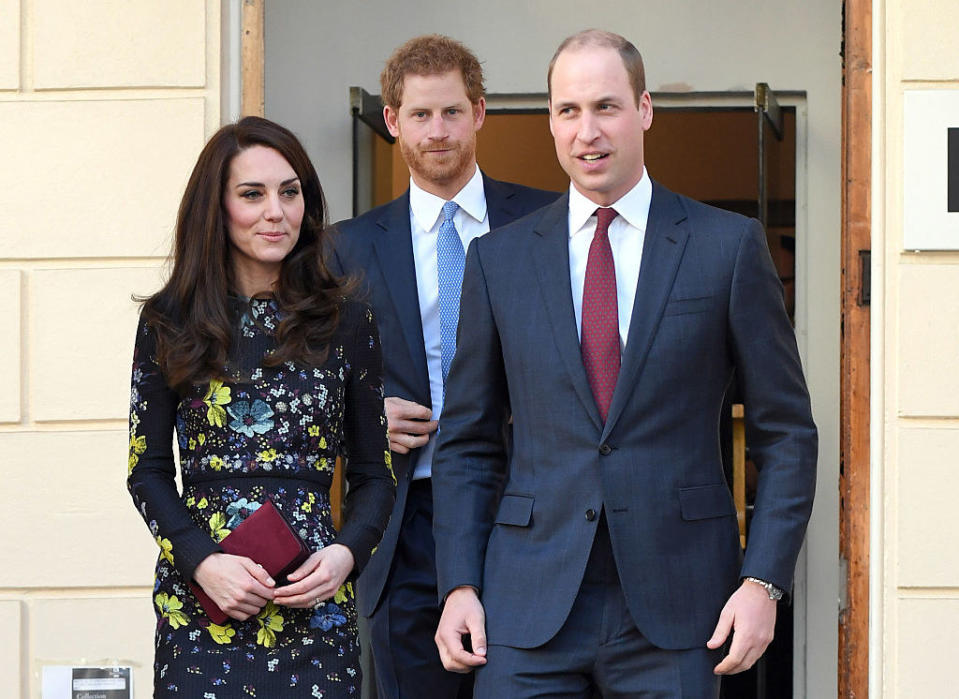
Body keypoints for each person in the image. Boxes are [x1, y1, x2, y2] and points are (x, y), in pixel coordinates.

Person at [432, 29, 818, 698]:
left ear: (643, 109)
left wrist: (762, 583)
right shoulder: (498, 261)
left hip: (680, 606)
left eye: (605, 106)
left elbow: (786, 433)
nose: (587, 131)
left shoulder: (725, 247)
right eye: (568, 111)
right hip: (526, 607)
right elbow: (466, 441)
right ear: (551, 120)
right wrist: (459, 582)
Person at [127, 116, 395, 696]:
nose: (276, 211)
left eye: (290, 192)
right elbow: (145, 473)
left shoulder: (348, 322)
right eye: (252, 194)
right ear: (216, 209)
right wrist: (202, 562)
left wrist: (347, 555)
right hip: (205, 608)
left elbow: (376, 476)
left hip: (314, 604)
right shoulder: (167, 322)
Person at [329, 34, 558, 699]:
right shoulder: (344, 249)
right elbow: (303, 389)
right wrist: (360, 421)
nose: (438, 131)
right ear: (392, 121)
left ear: (480, 112)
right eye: (420, 115)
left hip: (534, 513)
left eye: (452, 112)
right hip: (407, 523)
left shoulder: (549, 221)